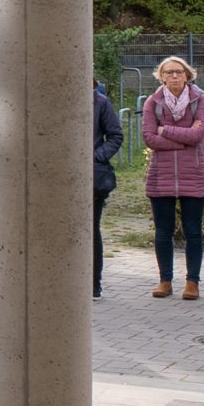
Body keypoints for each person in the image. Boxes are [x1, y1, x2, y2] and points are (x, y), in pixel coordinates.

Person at [141, 57, 204, 299]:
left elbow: (198, 135)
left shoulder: (199, 100)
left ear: (187, 75)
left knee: (193, 231)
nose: (174, 76)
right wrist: (184, 141)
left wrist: (166, 131)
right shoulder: (153, 102)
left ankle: (192, 282)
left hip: (193, 174)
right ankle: (165, 281)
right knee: (163, 232)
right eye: (169, 72)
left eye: (179, 72)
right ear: (161, 76)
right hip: (161, 175)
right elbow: (150, 138)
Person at [91, 84, 124, 299]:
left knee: (90, 229)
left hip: (91, 176)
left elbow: (115, 136)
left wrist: (94, 157)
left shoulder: (100, 102)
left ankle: (94, 284)